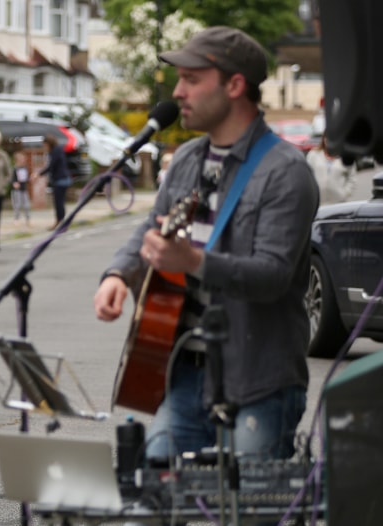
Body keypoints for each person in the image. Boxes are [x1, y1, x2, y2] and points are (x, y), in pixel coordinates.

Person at [93, 27, 319, 468]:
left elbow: (272, 276)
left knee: (248, 510)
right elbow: (149, 230)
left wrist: (194, 262)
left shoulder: (285, 172)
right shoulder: (189, 161)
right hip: (183, 376)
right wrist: (119, 273)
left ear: (235, 86)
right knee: (152, 499)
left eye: (192, 79)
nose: (178, 92)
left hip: (259, 383)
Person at [306, 132, 356, 204]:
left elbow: (352, 178)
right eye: (327, 138)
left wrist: (345, 193)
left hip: (338, 202)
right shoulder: (313, 154)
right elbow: (307, 176)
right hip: (318, 202)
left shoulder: (346, 157)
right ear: (323, 139)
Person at [34, 134, 71, 230]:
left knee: (59, 203)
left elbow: (51, 166)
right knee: (60, 202)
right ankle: (60, 222)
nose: (44, 147)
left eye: (45, 145)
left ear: (48, 143)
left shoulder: (55, 151)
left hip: (60, 180)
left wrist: (38, 174)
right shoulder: (57, 151)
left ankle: (61, 222)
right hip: (62, 179)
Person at [10, 150, 32, 227]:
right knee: (17, 205)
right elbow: (11, 179)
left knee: (26, 205)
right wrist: (14, 184)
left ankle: (28, 219)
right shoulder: (14, 169)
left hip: (24, 189)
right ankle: (16, 219)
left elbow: (26, 178)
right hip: (16, 190)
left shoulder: (25, 168)